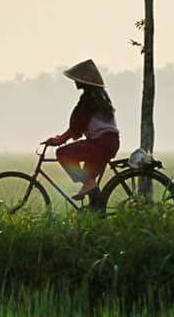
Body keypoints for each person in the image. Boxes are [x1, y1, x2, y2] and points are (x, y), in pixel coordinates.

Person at [43, 59, 120, 208]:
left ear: (84, 81)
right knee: (89, 180)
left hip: (100, 143)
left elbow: (78, 124)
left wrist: (60, 140)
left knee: (63, 154)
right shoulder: (100, 97)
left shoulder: (89, 99)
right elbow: (78, 126)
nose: (75, 82)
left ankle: (90, 186)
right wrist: (62, 137)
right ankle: (97, 214)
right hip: (109, 143)